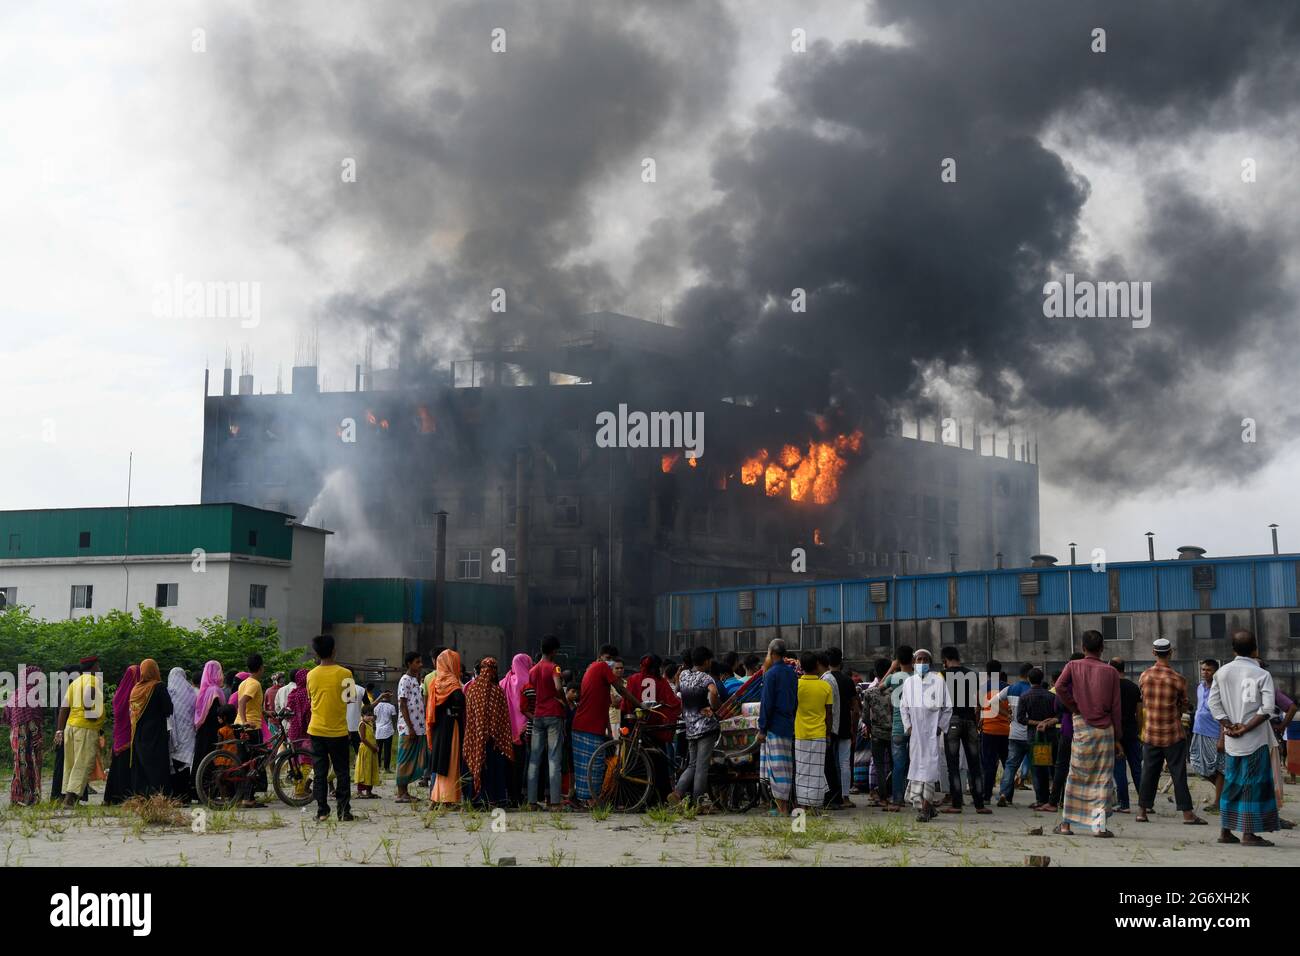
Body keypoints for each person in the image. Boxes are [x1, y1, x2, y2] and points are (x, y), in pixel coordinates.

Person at [1208, 629, 1279, 846]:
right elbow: (1267, 709)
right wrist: (1245, 728)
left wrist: (1229, 725)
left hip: (1231, 739)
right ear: (1255, 649)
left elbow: (1213, 704)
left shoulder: (1222, 673)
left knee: (1232, 783)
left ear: (1233, 650)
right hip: (1255, 739)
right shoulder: (1262, 674)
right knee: (1252, 785)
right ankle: (1248, 834)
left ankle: (1225, 830)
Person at [1053, 630, 1121, 837]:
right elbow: (1116, 706)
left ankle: (1066, 824)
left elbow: (1059, 686)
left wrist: (1075, 707)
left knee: (1076, 773)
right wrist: (1118, 735)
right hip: (1105, 729)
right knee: (1102, 777)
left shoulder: (1073, 666)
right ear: (1102, 648)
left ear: (1083, 648)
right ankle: (1099, 827)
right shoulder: (1111, 672)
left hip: (1082, 725)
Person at [1135, 639, 1205, 825]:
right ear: (1171, 652)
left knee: (1149, 772)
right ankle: (1187, 814)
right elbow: (1183, 706)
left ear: (1153, 652)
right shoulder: (1178, 679)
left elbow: (1143, 700)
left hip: (1150, 732)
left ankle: (1142, 811)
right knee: (1178, 773)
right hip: (1172, 734)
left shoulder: (1144, 676)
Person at [571, 644, 640, 803]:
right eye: (608, 659)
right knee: (594, 767)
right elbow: (621, 690)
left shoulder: (592, 669)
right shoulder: (601, 667)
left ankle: (587, 799)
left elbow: (604, 706)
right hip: (588, 725)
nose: (609, 663)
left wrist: (608, 730)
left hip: (586, 725)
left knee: (587, 767)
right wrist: (640, 705)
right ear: (601, 657)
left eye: (612, 660)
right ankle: (590, 800)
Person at [899, 649, 952, 822]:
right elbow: (903, 707)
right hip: (915, 735)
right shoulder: (908, 683)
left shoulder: (938, 681)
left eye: (925, 660)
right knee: (916, 769)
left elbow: (947, 708)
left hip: (931, 735)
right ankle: (925, 807)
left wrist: (940, 727)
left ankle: (925, 808)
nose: (921, 663)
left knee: (929, 770)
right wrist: (908, 727)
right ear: (914, 663)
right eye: (919, 660)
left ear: (930, 662)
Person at [307, 634, 354, 822]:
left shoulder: (310, 675)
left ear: (316, 653)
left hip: (316, 730)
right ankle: (344, 811)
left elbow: (312, 698)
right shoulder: (345, 674)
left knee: (320, 772)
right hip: (338, 731)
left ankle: (322, 811)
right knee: (342, 771)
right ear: (334, 650)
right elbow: (350, 698)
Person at [669, 646, 722, 812]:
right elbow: (713, 693)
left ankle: (678, 793)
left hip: (690, 727)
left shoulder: (684, 675)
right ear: (706, 661)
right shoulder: (706, 678)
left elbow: (678, 690)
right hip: (706, 727)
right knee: (701, 766)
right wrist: (714, 707)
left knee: (692, 765)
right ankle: (699, 802)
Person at [939, 646, 987, 814]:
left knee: (953, 765)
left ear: (945, 659)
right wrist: (977, 720)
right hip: (970, 722)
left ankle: (957, 804)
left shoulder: (942, 676)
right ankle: (980, 805)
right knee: (974, 764)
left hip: (951, 722)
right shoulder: (973, 675)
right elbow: (979, 702)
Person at [464, 656, 514, 807]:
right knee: (493, 769)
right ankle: (494, 799)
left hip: (474, 738)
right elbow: (503, 717)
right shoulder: (497, 691)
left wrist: (478, 733)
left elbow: (470, 716)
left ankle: (477, 800)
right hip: (494, 741)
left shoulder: (472, 690)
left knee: (476, 765)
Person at [55, 660, 106, 807]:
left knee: (70, 763)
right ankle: (70, 799)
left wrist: (60, 730)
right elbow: (88, 699)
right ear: (93, 668)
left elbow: (64, 707)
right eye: (98, 666)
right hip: (85, 728)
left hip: (70, 727)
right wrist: (93, 716)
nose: (99, 668)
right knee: (83, 763)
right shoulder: (93, 680)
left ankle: (69, 796)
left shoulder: (75, 682)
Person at [527, 636, 567, 809]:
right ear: (554, 651)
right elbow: (558, 687)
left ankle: (531, 801)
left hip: (538, 715)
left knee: (534, 759)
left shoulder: (532, 670)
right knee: (554, 758)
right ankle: (556, 802)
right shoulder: (555, 667)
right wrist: (562, 700)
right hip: (553, 714)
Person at [758, 639, 797, 815]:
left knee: (776, 767)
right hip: (789, 724)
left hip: (775, 725)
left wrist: (762, 728)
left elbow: (766, 703)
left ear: (772, 653)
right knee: (787, 766)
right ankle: (783, 805)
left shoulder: (771, 674)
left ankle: (782, 808)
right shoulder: (791, 673)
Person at [793, 650, 834, 810]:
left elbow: (793, 708)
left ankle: (802, 805)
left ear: (801, 667)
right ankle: (816, 806)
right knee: (817, 772)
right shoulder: (825, 686)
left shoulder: (796, 685)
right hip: (819, 734)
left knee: (802, 771)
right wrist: (828, 734)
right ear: (817, 665)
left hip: (801, 733)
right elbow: (829, 713)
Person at [990, 663, 1033, 806]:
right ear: (1030, 674)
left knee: (1010, 766)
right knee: (1037, 767)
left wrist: (1006, 713)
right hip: (1031, 735)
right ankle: (1041, 799)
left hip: (1014, 734)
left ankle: (1004, 794)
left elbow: (991, 702)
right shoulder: (1033, 690)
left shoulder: (1010, 689)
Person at [128, 659, 173, 797]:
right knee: (158, 763)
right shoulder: (158, 686)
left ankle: (142, 795)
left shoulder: (135, 689)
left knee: (142, 763)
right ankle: (160, 795)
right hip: (156, 732)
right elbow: (168, 709)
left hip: (138, 733)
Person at [426, 648, 466, 806]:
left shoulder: (436, 682)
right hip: (451, 725)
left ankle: (437, 797)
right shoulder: (453, 682)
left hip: (438, 726)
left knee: (440, 760)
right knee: (451, 760)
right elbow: (459, 700)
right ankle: (448, 798)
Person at [3, 664, 45, 806]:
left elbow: (6, 716)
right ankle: (28, 798)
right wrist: (38, 737)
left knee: (19, 765)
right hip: (27, 735)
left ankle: (16, 798)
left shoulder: (16, 693)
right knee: (29, 765)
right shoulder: (32, 694)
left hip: (15, 734)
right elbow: (32, 719)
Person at [1189, 658, 1226, 813]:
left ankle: (1219, 802)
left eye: (1208, 670)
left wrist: (1222, 738)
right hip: (1198, 731)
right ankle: (1224, 792)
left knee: (1219, 768)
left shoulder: (1221, 689)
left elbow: (1225, 715)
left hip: (1214, 733)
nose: (1205, 672)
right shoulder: (1200, 687)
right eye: (1203, 669)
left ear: (1216, 672)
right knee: (1197, 764)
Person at [1016, 668, 1056, 809]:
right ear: (1042, 679)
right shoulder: (1051, 696)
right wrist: (1046, 722)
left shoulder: (1025, 696)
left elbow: (1020, 718)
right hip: (1051, 735)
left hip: (1034, 737)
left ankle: (1041, 799)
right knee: (1053, 767)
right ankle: (1055, 799)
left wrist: (1036, 723)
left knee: (1038, 770)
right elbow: (1058, 716)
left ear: (1028, 679)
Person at [824, 647, 858, 809]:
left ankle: (833, 795)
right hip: (845, 726)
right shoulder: (848, 681)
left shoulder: (824, 680)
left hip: (828, 727)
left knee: (830, 763)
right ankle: (845, 797)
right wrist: (853, 727)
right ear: (841, 661)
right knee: (844, 762)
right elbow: (856, 708)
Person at [881, 646, 914, 811]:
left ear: (898, 660)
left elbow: (878, 687)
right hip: (915, 727)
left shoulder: (893, 678)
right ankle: (915, 796)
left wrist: (892, 668)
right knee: (916, 763)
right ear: (913, 660)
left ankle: (897, 799)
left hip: (898, 727)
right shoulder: (918, 676)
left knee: (898, 765)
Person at [103, 664, 140, 805]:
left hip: (119, 734)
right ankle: (125, 796)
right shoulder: (133, 693)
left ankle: (111, 797)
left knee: (116, 766)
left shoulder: (120, 692)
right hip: (128, 733)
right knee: (126, 766)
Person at [1109, 656, 1142, 813]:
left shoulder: (1109, 687)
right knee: (1137, 768)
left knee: (1119, 769)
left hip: (1116, 732)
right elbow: (1139, 712)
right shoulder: (1133, 687)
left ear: (1111, 668)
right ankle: (1145, 803)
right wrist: (1140, 730)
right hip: (1132, 730)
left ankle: (1124, 804)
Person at [500, 652, 532, 804]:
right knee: (521, 765)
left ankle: (508, 795)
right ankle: (519, 796)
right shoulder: (528, 681)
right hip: (524, 730)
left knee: (509, 764)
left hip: (507, 730)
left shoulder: (503, 682)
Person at [235, 654, 267, 807]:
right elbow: (242, 702)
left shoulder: (245, 682)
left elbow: (251, 705)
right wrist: (245, 721)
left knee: (245, 762)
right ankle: (248, 798)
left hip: (241, 724)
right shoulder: (255, 684)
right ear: (261, 667)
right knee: (255, 762)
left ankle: (244, 796)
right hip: (252, 727)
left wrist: (266, 713)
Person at [394, 652, 426, 803]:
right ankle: (401, 793)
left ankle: (405, 791)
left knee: (413, 759)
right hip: (408, 728)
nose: (420, 665)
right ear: (409, 664)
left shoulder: (415, 680)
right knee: (404, 759)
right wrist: (410, 727)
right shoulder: (404, 680)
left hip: (418, 727)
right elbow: (403, 704)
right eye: (417, 662)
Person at [979, 660, 1010, 805]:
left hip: (988, 730)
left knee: (989, 764)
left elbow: (977, 709)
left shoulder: (983, 688)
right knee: (1007, 763)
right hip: (1004, 731)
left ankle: (986, 796)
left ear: (987, 671)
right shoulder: (1008, 688)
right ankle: (1007, 795)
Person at [192, 661, 225, 792]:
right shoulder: (215, 691)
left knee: (200, 759)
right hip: (212, 731)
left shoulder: (204, 690)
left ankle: (197, 790)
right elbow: (215, 713)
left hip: (202, 731)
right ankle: (208, 791)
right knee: (210, 761)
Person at [865, 658, 894, 807]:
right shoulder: (895, 690)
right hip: (893, 732)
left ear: (876, 672)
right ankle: (893, 794)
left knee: (879, 765)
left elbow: (865, 718)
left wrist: (871, 728)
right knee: (896, 765)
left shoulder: (869, 693)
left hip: (877, 733)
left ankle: (882, 797)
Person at [167, 667, 198, 801]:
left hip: (174, 734)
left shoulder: (169, 692)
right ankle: (185, 796)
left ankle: (176, 796)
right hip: (188, 733)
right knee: (185, 764)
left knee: (174, 764)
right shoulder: (191, 692)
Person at [354, 704, 380, 799]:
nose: (370, 717)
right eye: (367, 715)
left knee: (371, 769)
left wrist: (376, 746)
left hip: (372, 750)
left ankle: (369, 791)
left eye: (371, 715)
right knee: (364, 770)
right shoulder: (362, 724)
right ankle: (360, 791)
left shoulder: (371, 724)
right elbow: (363, 739)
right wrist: (372, 747)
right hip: (365, 749)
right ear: (362, 715)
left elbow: (372, 736)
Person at [373, 691, 396, 774]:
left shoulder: (376, 706)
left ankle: (377, 768)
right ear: (389, 697)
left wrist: (375, 726)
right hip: (388, 731)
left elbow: (374, 718)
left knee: (378, 750)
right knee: (387, 750)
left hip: (378, 731)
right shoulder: (391, 707)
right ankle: (387, 768)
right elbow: (393, 719)